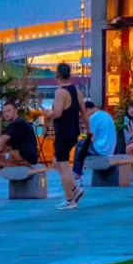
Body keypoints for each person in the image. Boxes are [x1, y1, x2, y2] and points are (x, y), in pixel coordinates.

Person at [47, 62, 85, 209]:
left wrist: (48, 114)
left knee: (63, 167)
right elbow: (84, 113)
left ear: (57, 75)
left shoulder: (60, 92)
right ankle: (75, 189)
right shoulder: (77, 92)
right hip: (74, 132)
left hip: (63, 133)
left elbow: (57, 113)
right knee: (57, 163)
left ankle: (70, 199)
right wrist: (88, 130)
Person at [73, 99, 119, 180]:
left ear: (87, 110)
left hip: (102, 149)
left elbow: (91, 137)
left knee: (80, 146)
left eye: (83, 114)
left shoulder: (93, 118)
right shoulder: (104, 114)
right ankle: (77, 171)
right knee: (81, 146)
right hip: (110, 149)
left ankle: (77, 172)